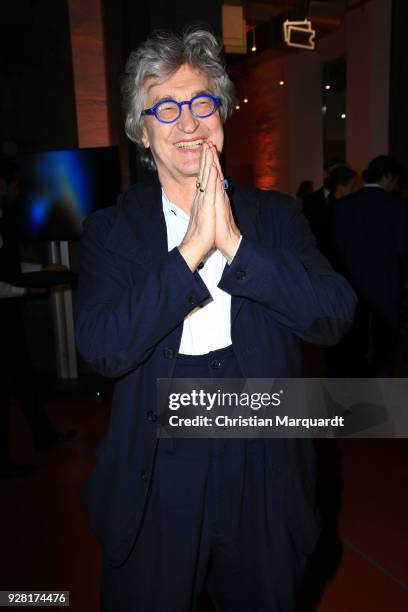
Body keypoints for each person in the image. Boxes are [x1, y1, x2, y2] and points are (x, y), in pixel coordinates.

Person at [74, 28, 356, 612]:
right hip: (159, 467)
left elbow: (333, 317)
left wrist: (231, 242)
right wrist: (190, 253)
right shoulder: (111, 231)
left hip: (262, 457)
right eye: (166, 107)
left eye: (202, 102)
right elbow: (103, 348)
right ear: (142, 131)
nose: (188, 121)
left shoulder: (276, 217)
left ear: (222, 116)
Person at [0, 157, 77, 478]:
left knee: (22, 378)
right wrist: (25, 292)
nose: (17, 192)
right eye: (14, 185)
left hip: (7, 316)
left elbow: (9, 271)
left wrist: (45, 270)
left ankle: (43, 436)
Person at [332, 155, 408, 376]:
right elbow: (403, 249)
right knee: (384, 347)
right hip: (386, 284)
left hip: (352, 283)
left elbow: (336, 245)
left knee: (354, 344)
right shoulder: (397, 206)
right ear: (387, 177)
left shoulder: (344, 205)